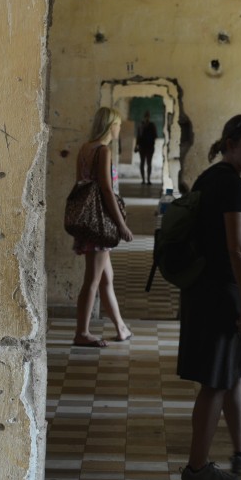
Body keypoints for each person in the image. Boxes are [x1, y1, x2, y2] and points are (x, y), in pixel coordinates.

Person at [178, 114, 241, 480]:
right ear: (230, 144)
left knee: (234, 375)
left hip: (202, 288)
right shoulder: (233, 187)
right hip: (222, 293)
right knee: (215, 383)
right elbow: (237, 248)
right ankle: (196, 468)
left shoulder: (209, 178)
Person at [72, 107, 134, 348]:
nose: (120, 128)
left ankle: (121, 328)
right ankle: (82, 332)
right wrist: (121, 224)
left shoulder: (85, 149)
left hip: (88, 221)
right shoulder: (104, 150)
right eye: (117, 124)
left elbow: (81, 185)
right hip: (100, 223)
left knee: (107, 277)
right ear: (111, 126)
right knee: (93, 280)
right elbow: (106, 190)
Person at [137, 110, 158, 185]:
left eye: (147, 116)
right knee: (143, 163)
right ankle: (143, 180)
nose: (147, 118)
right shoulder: (141, 125)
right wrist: (137, 145)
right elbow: (138, 136)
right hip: (143, 147)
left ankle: (148, 180)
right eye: (146, 116)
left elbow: (155, 136)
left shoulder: (152, 125)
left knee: (148, 163)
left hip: (149, 147)